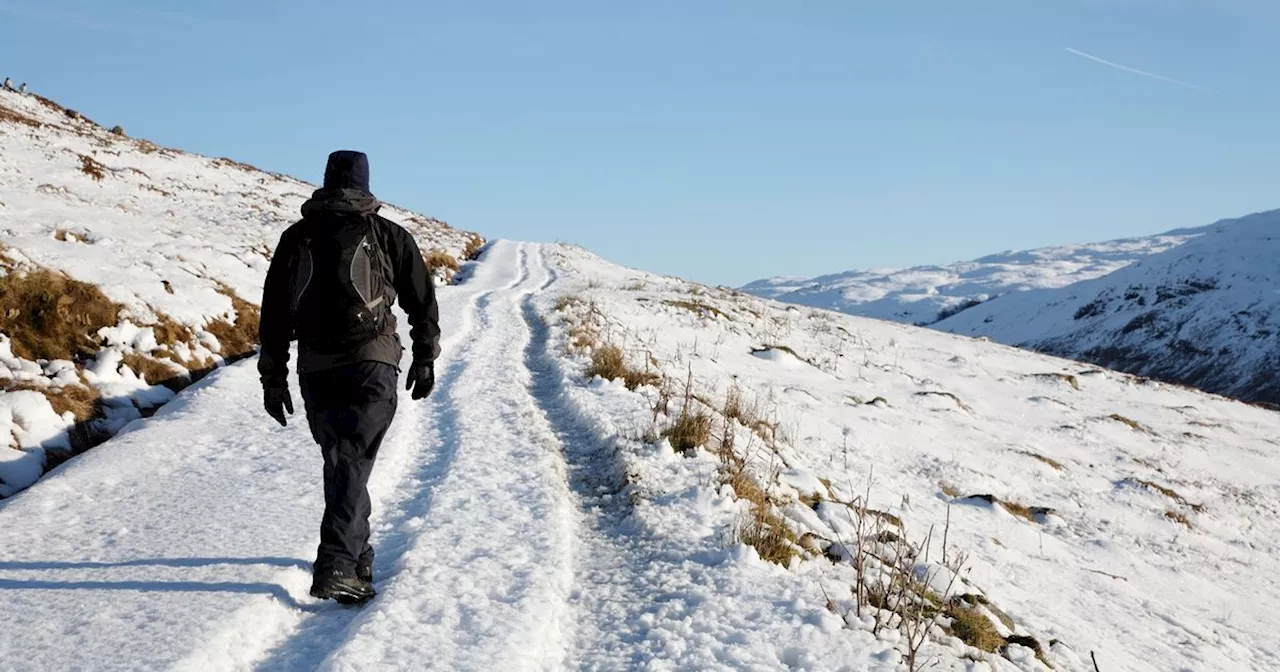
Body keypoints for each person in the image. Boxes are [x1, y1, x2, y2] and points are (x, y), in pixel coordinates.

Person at [258, 150, 440, 604]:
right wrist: (424, 356)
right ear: (365, 183)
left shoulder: (296, 238)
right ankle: (338, 563)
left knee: (343, 459)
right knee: (351, 460)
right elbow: (422, 301)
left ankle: (355, 555)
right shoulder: (388, 234)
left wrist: (273, 377)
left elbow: (274, 314)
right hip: (371, 362)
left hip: (316, 367)